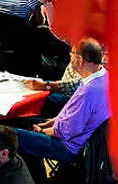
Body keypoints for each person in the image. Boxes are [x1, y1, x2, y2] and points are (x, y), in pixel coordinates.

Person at [13, 39, 110, 174]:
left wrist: (42, 131)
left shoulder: (89, 92)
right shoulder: (102, 76)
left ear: (80, 60)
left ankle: (39, 182)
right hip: (66, 132)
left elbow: (67, 131)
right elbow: (69, 114)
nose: (70, 55)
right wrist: (48, 123)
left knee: (12, 136)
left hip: (66, 146)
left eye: (72, 53)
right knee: (20, 120)